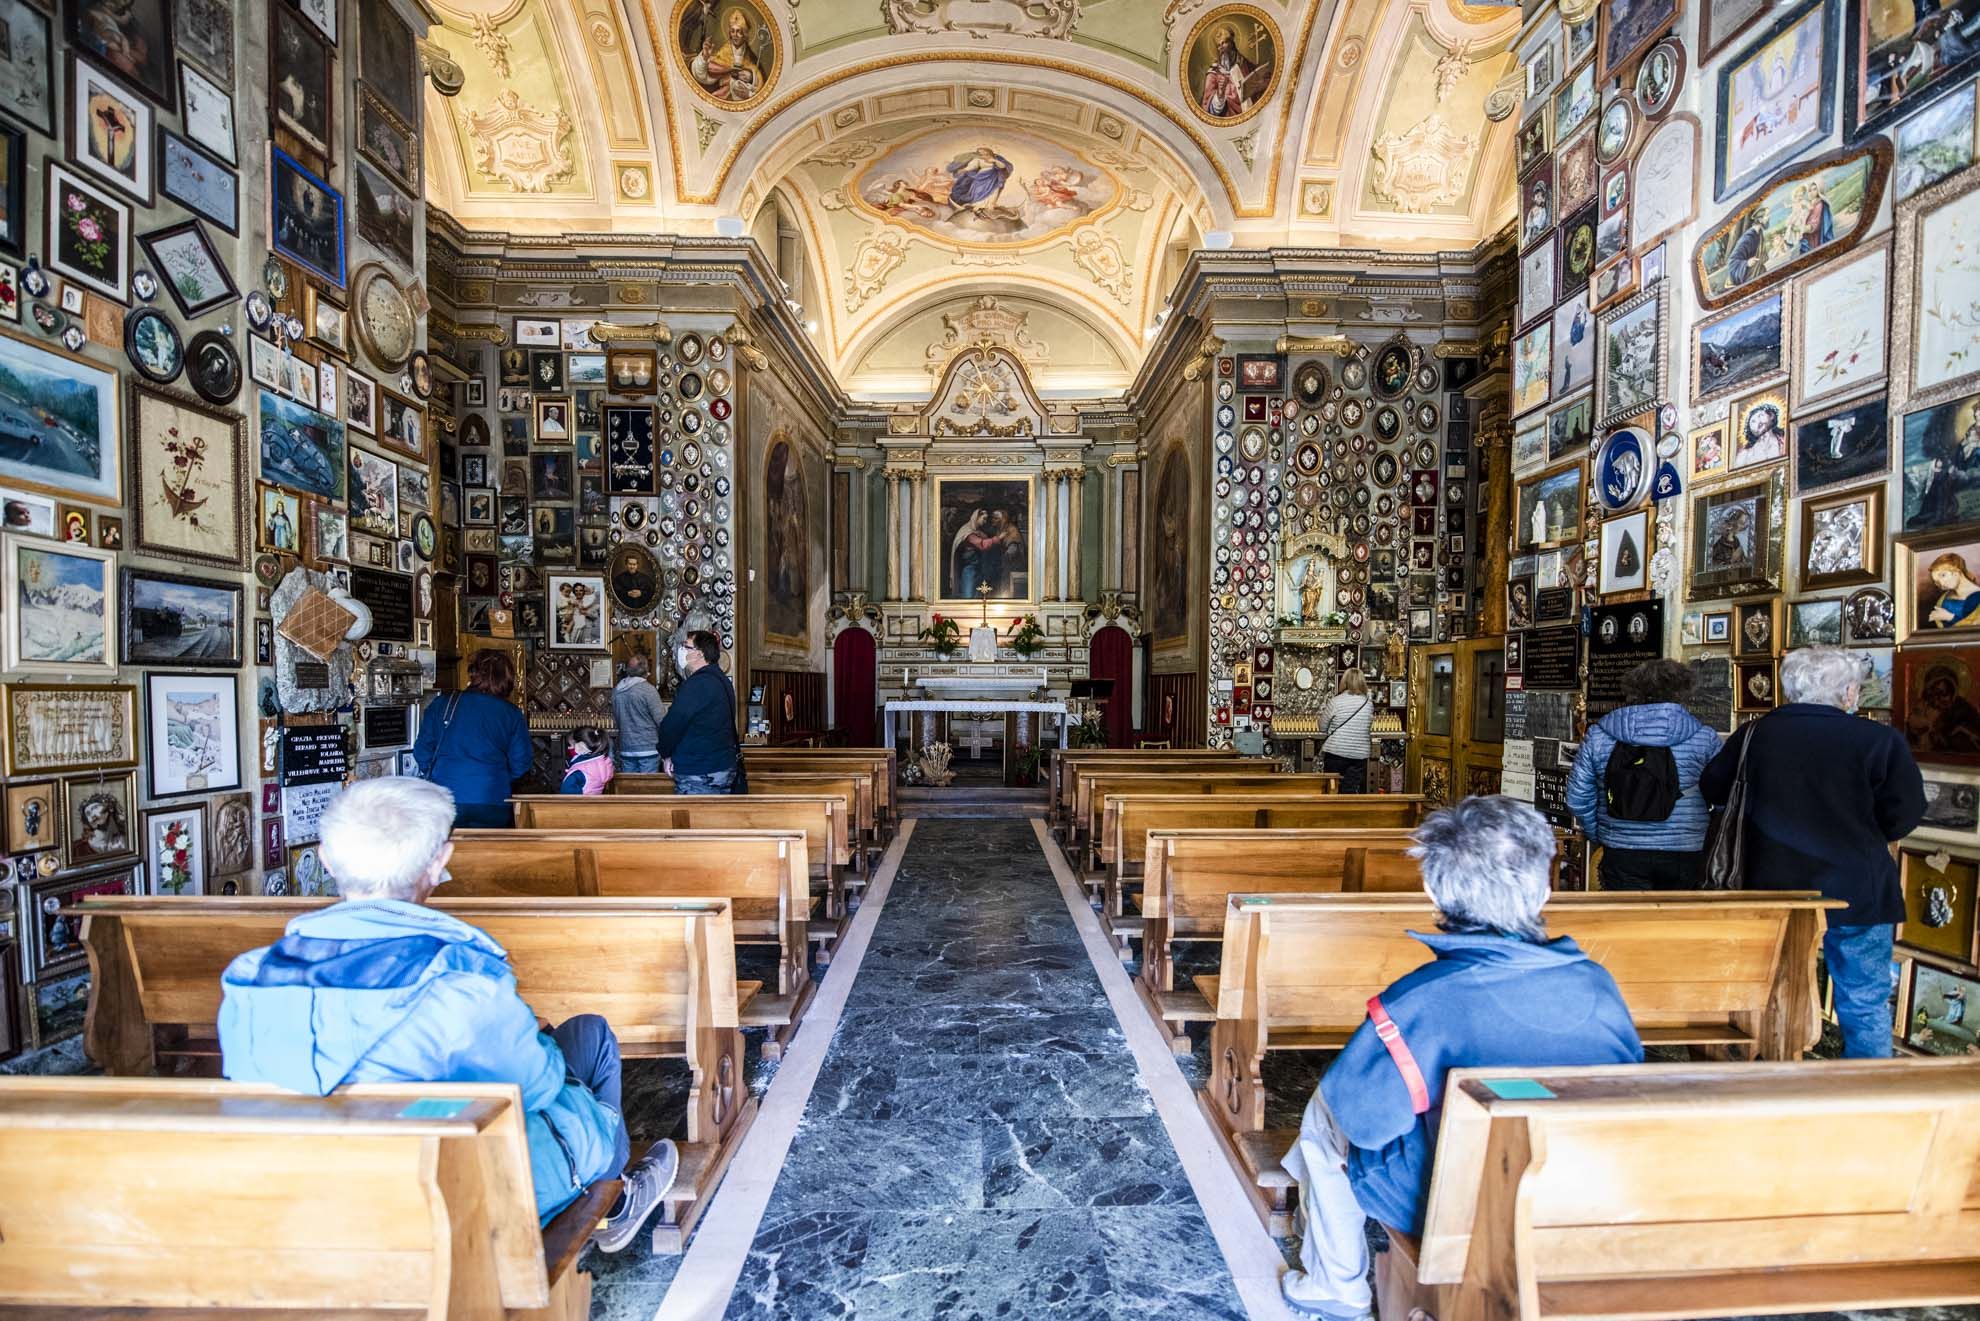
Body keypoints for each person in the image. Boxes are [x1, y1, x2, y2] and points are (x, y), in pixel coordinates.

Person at [215, 777, 677, 1250]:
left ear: (327, 859)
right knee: (588, 1044)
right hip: (455, 1189)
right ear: (439, 863)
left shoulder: (251, 977)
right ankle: (614, 1195)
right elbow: (539, 1086)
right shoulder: (461, 981)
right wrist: (532, 1038)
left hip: (311, 1194)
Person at [1279, 796, 1643, 1318]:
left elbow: (1365, 1120)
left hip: (1452, 1202)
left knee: (1325, 1113)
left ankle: (1335, 1282)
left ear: (1432, 891)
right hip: (1579, 1188)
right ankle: (1312, 1213)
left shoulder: (1422, 999)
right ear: (1544, 888)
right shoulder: (1597, 984)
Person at [1700, 646, 1926, 1058]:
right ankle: (1867, 1085)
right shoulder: (1878, 740)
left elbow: (1712, 788)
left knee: (1769, 991)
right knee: (1863, 1000)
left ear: (1790, 689)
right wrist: (1863, 835)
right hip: (1857, 885)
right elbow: (1906, 812)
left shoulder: (1754, 735)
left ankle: (1771, 1074)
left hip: (1769, 885)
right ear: (1848, 692)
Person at [1566, 660, 1722, 889]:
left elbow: (1577, 798)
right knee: (1681, 913)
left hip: (1621, 848)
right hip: (1686, 847)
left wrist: (1600, 833)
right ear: (1682, 692)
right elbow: (1722, 795)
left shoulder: (1599, 736)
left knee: (1627, 913)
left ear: (1633, 691)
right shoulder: (1704, 738)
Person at [411, 649, 531, 829]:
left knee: (447, 846)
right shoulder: (511, 714)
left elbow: (422, 751)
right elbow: (521, 763)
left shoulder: (442, 704)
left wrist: (440, 772)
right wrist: (497, 776)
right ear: (507, 679)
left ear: (473, 673)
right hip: (492, 798)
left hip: (446, 795)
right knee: (487, 846)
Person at [657, 630, 741, 795]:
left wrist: (666, 753)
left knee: (696, 812)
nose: (681, 651)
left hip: (699, 769)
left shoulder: (696, 685)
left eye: (686, 647)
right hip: (723, 764)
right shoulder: (722, 680)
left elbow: (672, 724)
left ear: (700, 653)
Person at [1319, 670, 1374, 793]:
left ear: (1344, 682)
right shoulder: (1368, 704)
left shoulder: (1336, 701)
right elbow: (1368, 725)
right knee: (1350, 790)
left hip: (1336, 752)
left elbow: (1322, 726)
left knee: (1331, 788)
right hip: (1359, 754)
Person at [613, 652, 668, 773]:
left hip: (626, 747)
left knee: (629, 784)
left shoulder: (617, 690)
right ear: (646, 669)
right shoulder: (648, 690)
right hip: (648, 748)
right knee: (647, 784)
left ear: (628, 670)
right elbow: (661, 720)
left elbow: (616, 718)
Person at [561, 726, 614, 795]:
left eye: (571, 745)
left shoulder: (578, 772)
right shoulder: (603, 762)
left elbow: (566, 796)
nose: (569, 748)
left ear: (580, 746)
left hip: (580, 801)